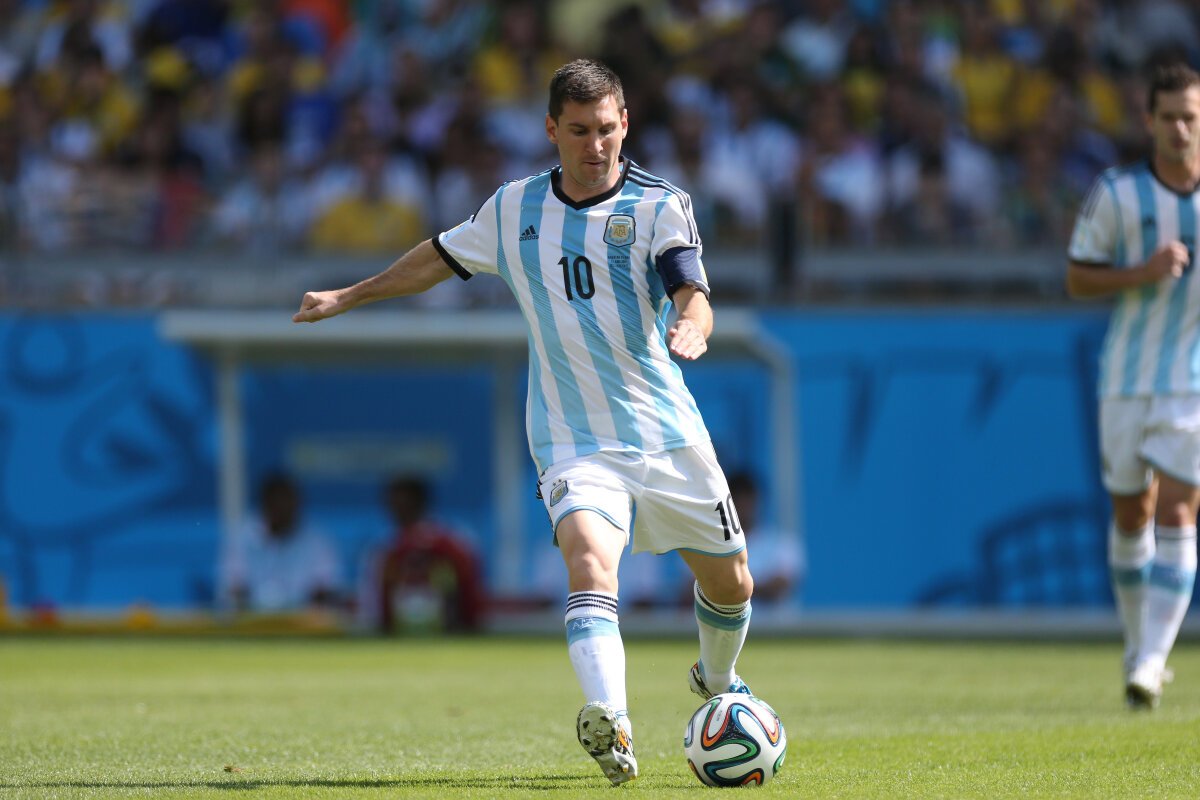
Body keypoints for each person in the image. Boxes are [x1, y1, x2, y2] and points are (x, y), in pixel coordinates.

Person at [294, 58, 755, 785]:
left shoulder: (660, 205)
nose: (595, 145)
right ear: (550, 130)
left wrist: (694, 325)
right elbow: (437, 259)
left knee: (732, 585)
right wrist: (349, 295)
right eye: (579, 131)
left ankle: (718, 682)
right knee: (589, 562)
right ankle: (613, 722)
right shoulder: (514, 210)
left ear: (625, 123)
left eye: (606, 129)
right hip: (572, 438)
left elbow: (690, 288)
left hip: (666, 431)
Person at [1066, 61, 1200, 710]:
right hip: (1124, 379)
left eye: (1190, 117)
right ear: (1149, 121)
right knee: (1131, 513)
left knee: (1177, 512)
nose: (1180, 129)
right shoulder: (1118, 193)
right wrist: (1141, 273)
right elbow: (1077, 277)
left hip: (1191, 383)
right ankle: (1137, 642)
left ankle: (1149, 660)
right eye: (1169, 117)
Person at [357, 475, 485, 633]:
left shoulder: (455, 544)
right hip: (395, 636)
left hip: (450, 633)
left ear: (421, 503)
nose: (400, 511)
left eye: (406, 504)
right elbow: (373, 607)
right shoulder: (382, 549)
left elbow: (470, 596)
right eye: (395, 504)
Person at [218, 472, 343, 613]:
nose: (283, 511)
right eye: (277, 505)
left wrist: (318, 596)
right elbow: (232, 588)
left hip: (302, 621)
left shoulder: (317, 540)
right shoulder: (243, 538)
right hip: (253, 621)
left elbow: (328, 588)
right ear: (265, 505)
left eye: (288, 505)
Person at [727, 471, 804, 608]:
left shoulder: (782, 543)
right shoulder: (711, 545)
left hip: (772, 622)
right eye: (737, 498)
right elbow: (695, 588)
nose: (742, 504)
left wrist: (731, 589)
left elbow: (780, 585)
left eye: (747, 497)